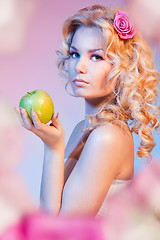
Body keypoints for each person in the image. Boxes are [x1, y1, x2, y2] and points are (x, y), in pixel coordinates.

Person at [15, 4, 160, 217]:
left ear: (122, 68)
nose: (79, 67)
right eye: (75, 54)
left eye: (96, 57)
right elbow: (48, 218)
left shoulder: (108, 136)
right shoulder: (82, 129)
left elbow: (64, 230)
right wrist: (53, 146)